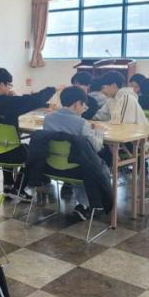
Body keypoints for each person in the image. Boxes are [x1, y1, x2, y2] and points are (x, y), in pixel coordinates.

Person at [0, 68, 56, 198]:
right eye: (9, 84)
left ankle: (8, 185)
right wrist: (53, 89)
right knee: (33, 152)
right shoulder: (11, 102)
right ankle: (19, 188)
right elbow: (36, 99)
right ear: (1, 85)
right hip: (10, 154)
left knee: (6, 143)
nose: (10, 87)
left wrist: (10, 97)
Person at [41, 86, 106, 219]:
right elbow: (97, 147)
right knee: (98, 164)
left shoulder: (48, 119)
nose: (84, 108)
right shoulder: (81, 123)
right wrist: (99, 131)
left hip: (50, 167)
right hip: (76, 170)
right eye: (84, 105)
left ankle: (84, 204)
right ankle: (94, 204)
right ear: (77, 104)